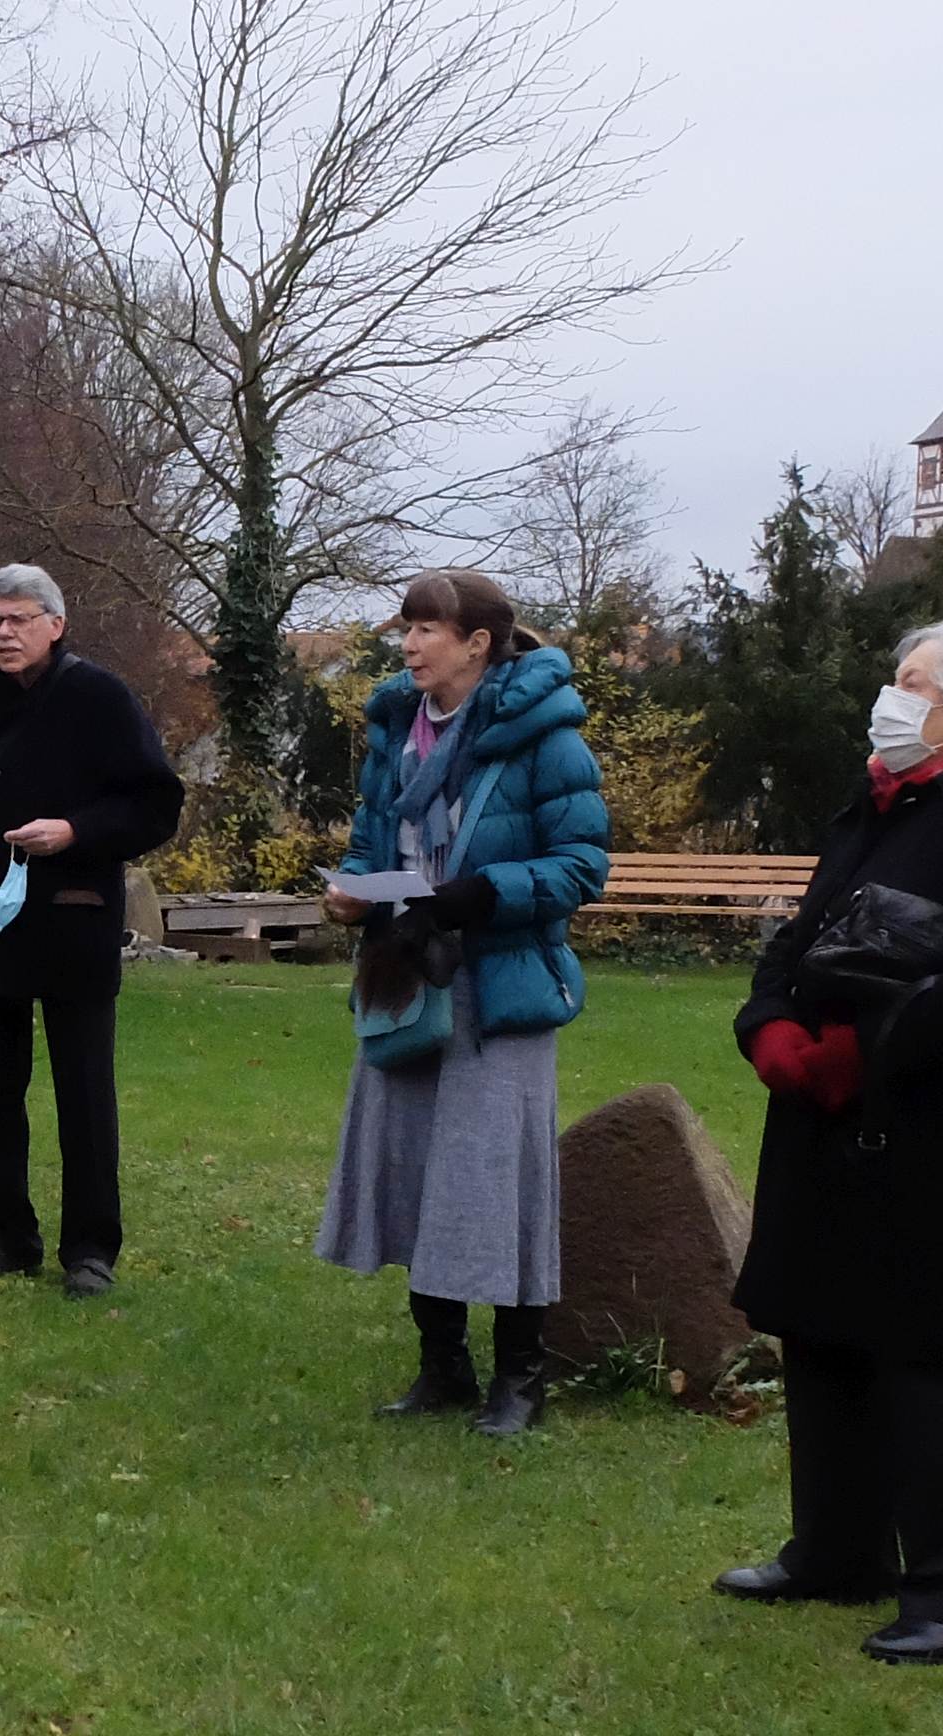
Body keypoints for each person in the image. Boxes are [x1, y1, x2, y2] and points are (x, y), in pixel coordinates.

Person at [712, 618, 943, 1667]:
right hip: (837, 1124)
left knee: (940, 1353)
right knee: (825, 1330)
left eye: (909, 681)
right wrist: (772, 1023)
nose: (888, 695)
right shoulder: (886, 797)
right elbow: (800, 937)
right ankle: (837, 1549)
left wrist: (867, 1050)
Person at [316, 570, 608, 1436]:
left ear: (477, 643)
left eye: (426, 630)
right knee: (411, 1170)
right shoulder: (393, 731)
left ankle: (521, 1378)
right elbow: (372, 839)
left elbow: (582, 865)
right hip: (408, 969)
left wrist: (483, 893)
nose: (407, 645)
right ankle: (441, 1367)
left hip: (499, 980)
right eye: (404, 629)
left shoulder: (545, 734)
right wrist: (356, 891)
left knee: (495, 1178)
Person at [0, 563, 183, 1300]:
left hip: (74, 920)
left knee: (84, 1091)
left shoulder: (99, 699)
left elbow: (156, 804)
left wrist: (76, 831)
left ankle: (91, 1248)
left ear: (56, 625)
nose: (5, 633)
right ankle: (9, 1234)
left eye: (20, 619)